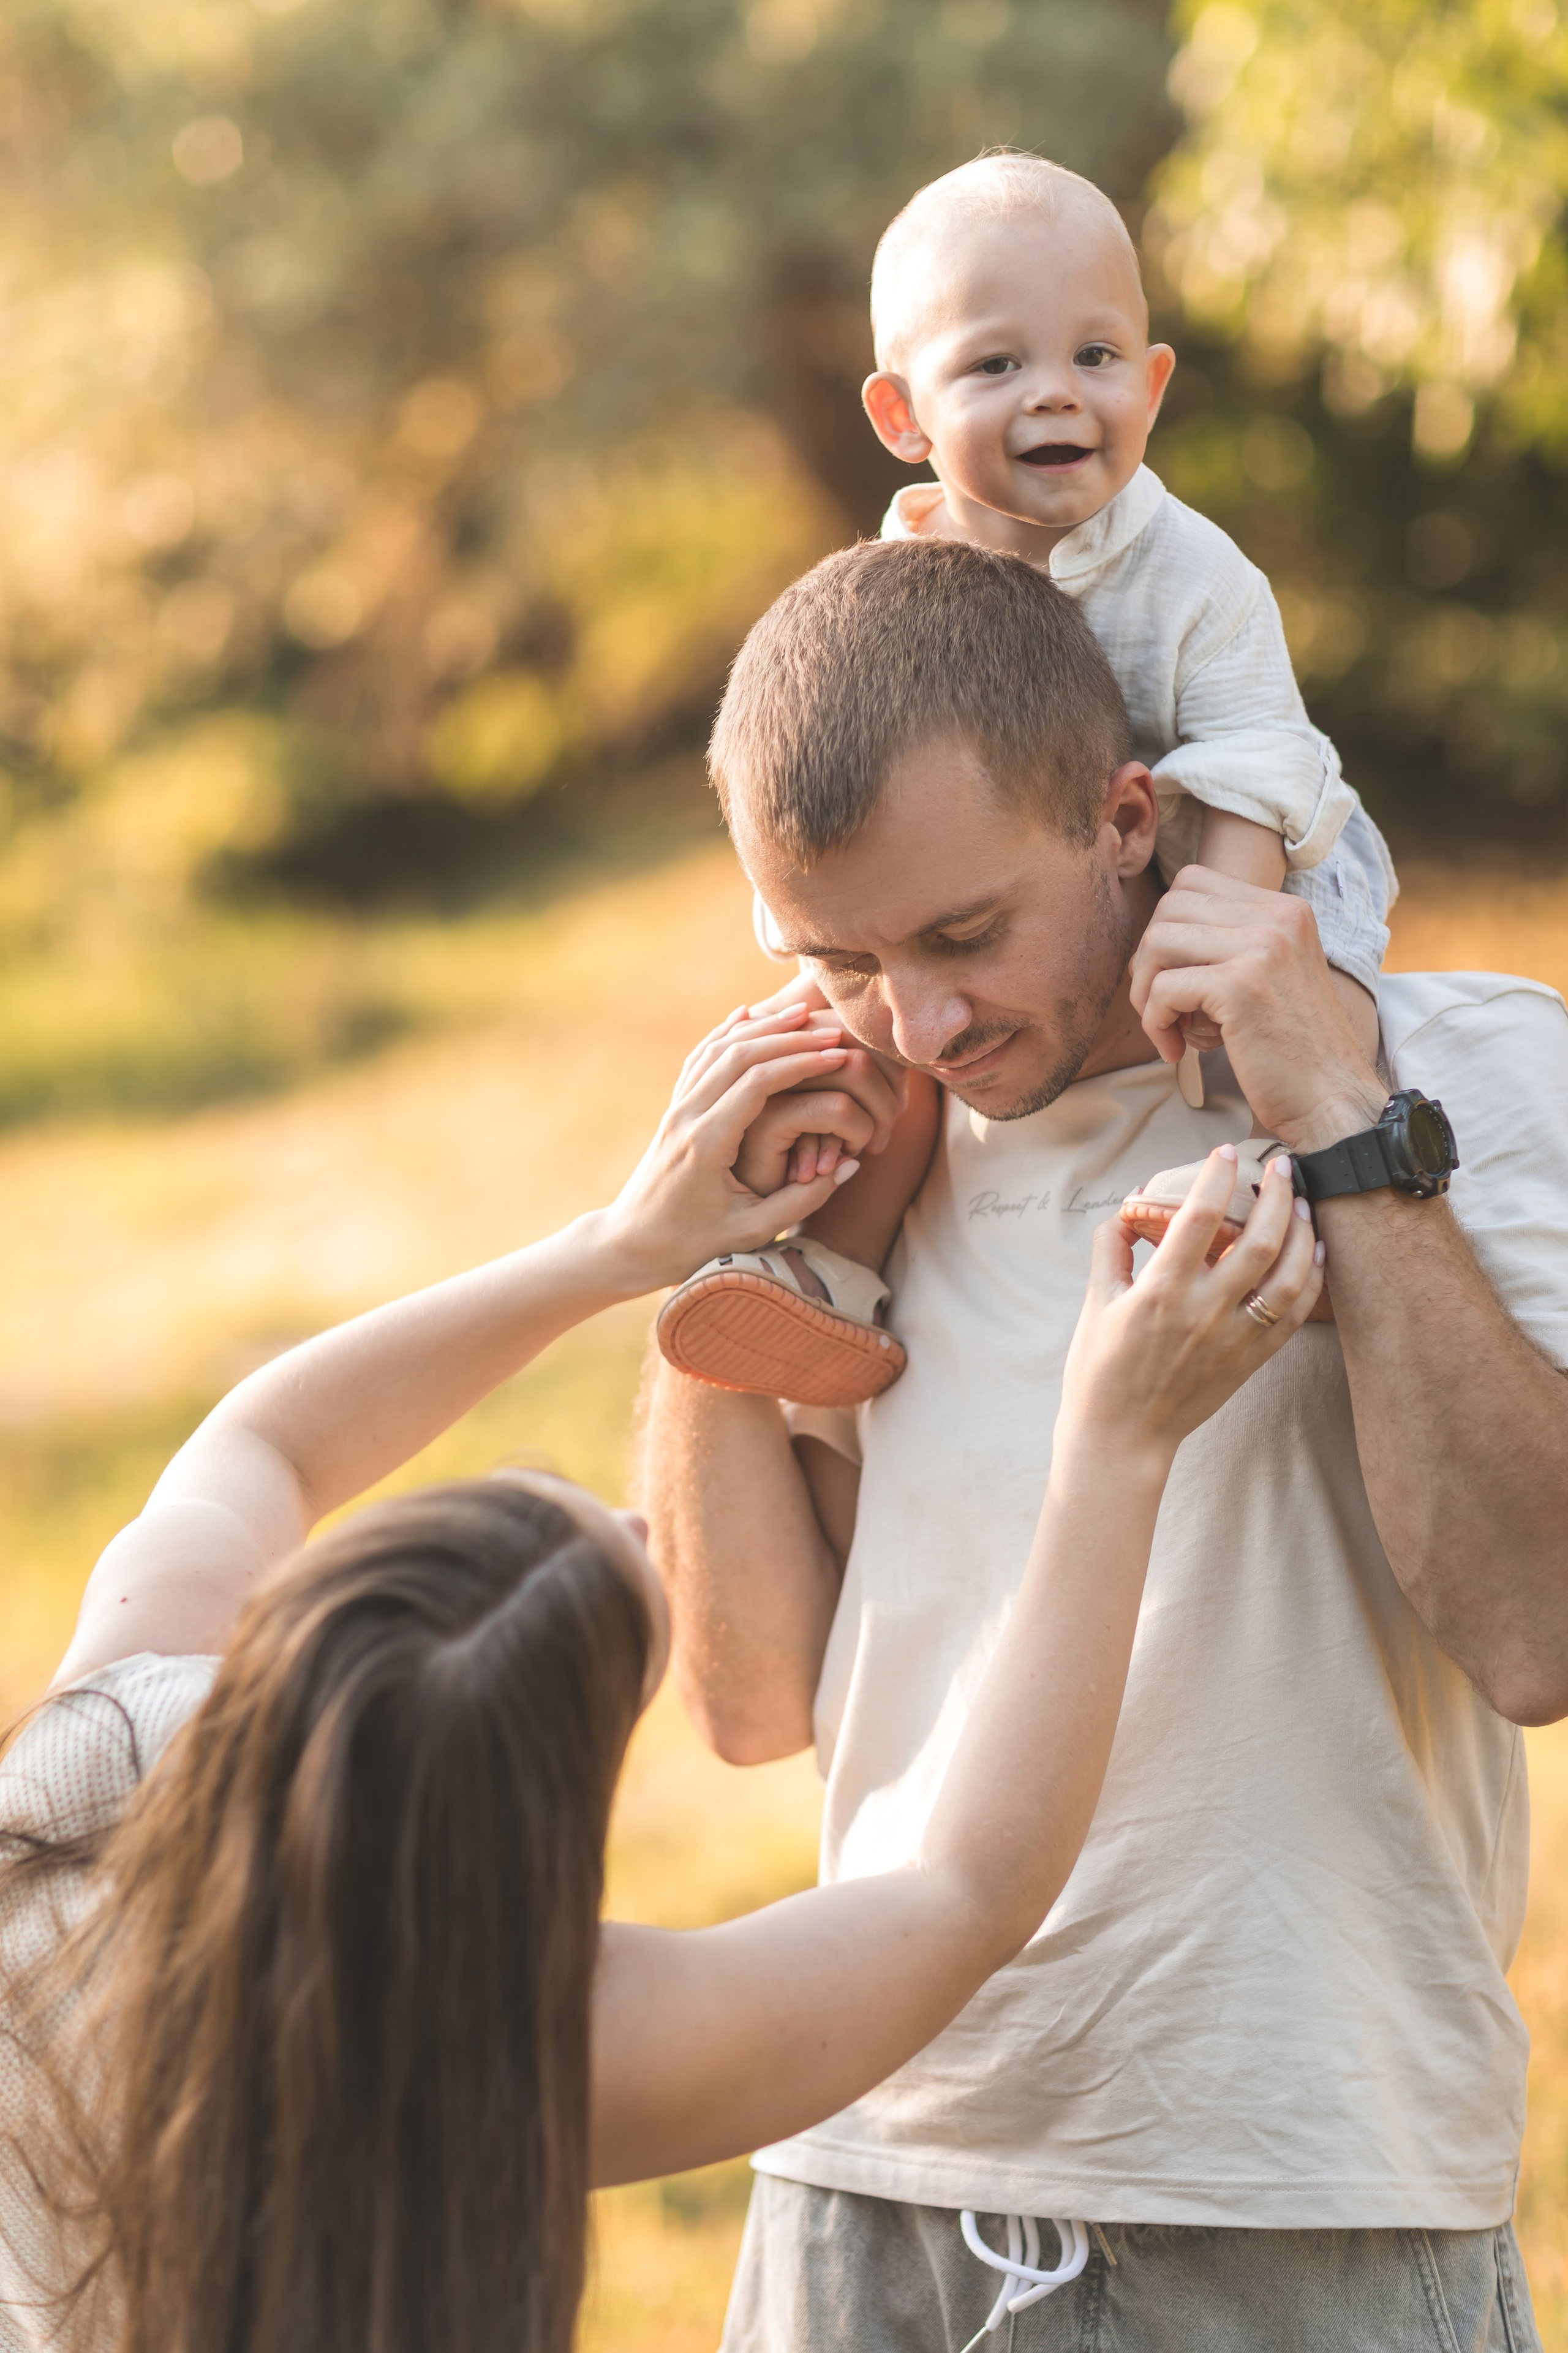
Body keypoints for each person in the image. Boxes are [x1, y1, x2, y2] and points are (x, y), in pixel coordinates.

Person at [0, 1011, 1319, 2353]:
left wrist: (625, 1241)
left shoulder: (97, 1764)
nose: (647, 1530)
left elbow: (262, 1445)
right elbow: (968, 1893)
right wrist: (1116, 1439)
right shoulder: (530, 2040)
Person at [639, 535, 1568, 2352]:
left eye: (965, 935)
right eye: (842, 956)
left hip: (1295, 2198)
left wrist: (1344, 1117)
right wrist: (706, 1266)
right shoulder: (876, 1150)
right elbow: (755, 1700)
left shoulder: (1468, 1072)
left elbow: (1541, 1633)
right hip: (858, 2179)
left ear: (1126, 818)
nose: (921, 1022)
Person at [655, 150, 1398, 1408]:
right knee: (885, 1026)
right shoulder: (901, 574)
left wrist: (1214, 944)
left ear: (1151, 387)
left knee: (1301, 1013)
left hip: (1230, 839)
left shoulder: (1193, 577)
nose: (1056, 394)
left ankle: (1290, 1205)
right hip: (1013, 861)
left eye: (1095, 358)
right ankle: (825, 1281)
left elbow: (1259, 766)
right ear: (901, 418)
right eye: (997, 365)